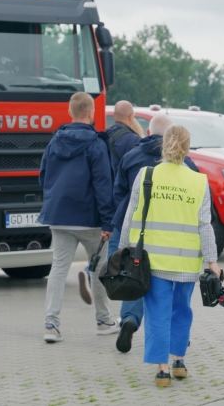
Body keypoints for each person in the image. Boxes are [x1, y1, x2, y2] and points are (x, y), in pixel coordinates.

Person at [118, 124, 219, 387]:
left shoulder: (146, 174)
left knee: (157, 311)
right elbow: (204, 224)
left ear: (164, 145)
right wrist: (213, 260)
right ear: (187, 147)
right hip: (186, 261)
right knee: (181, 310)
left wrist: (121, 251)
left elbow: (130, 215)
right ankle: (179, 362)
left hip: (154, 261)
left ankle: (162, 370)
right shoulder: (199, 181)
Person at [110, 115, 198, 353]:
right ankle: (177, 340)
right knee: (170, 296)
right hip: (174, 242)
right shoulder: (189, 165)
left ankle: (129, 319)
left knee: (134, 277)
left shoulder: (131, 157)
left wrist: (123, 236)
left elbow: (119, 194)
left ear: (148, 130)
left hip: (138, 233)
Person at [39, 92, 117, 343]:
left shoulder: (54, 142)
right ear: (91, 113)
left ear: (69, 112)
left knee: (58, 269)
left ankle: (51, 324)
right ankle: (104, 320)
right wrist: (108, 222)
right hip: (89, 219)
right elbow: (103, 185)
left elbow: (43, 176)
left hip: (59, 216)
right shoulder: (96, 144)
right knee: (98, 269)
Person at [79, 100, 144, 306]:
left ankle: (90, 270)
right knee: (119, 246)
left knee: (109, 244)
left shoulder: (101, 138)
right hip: (123, 201)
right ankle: (92, 271)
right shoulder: (133, 140)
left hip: (104, 199)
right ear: (131, 117)